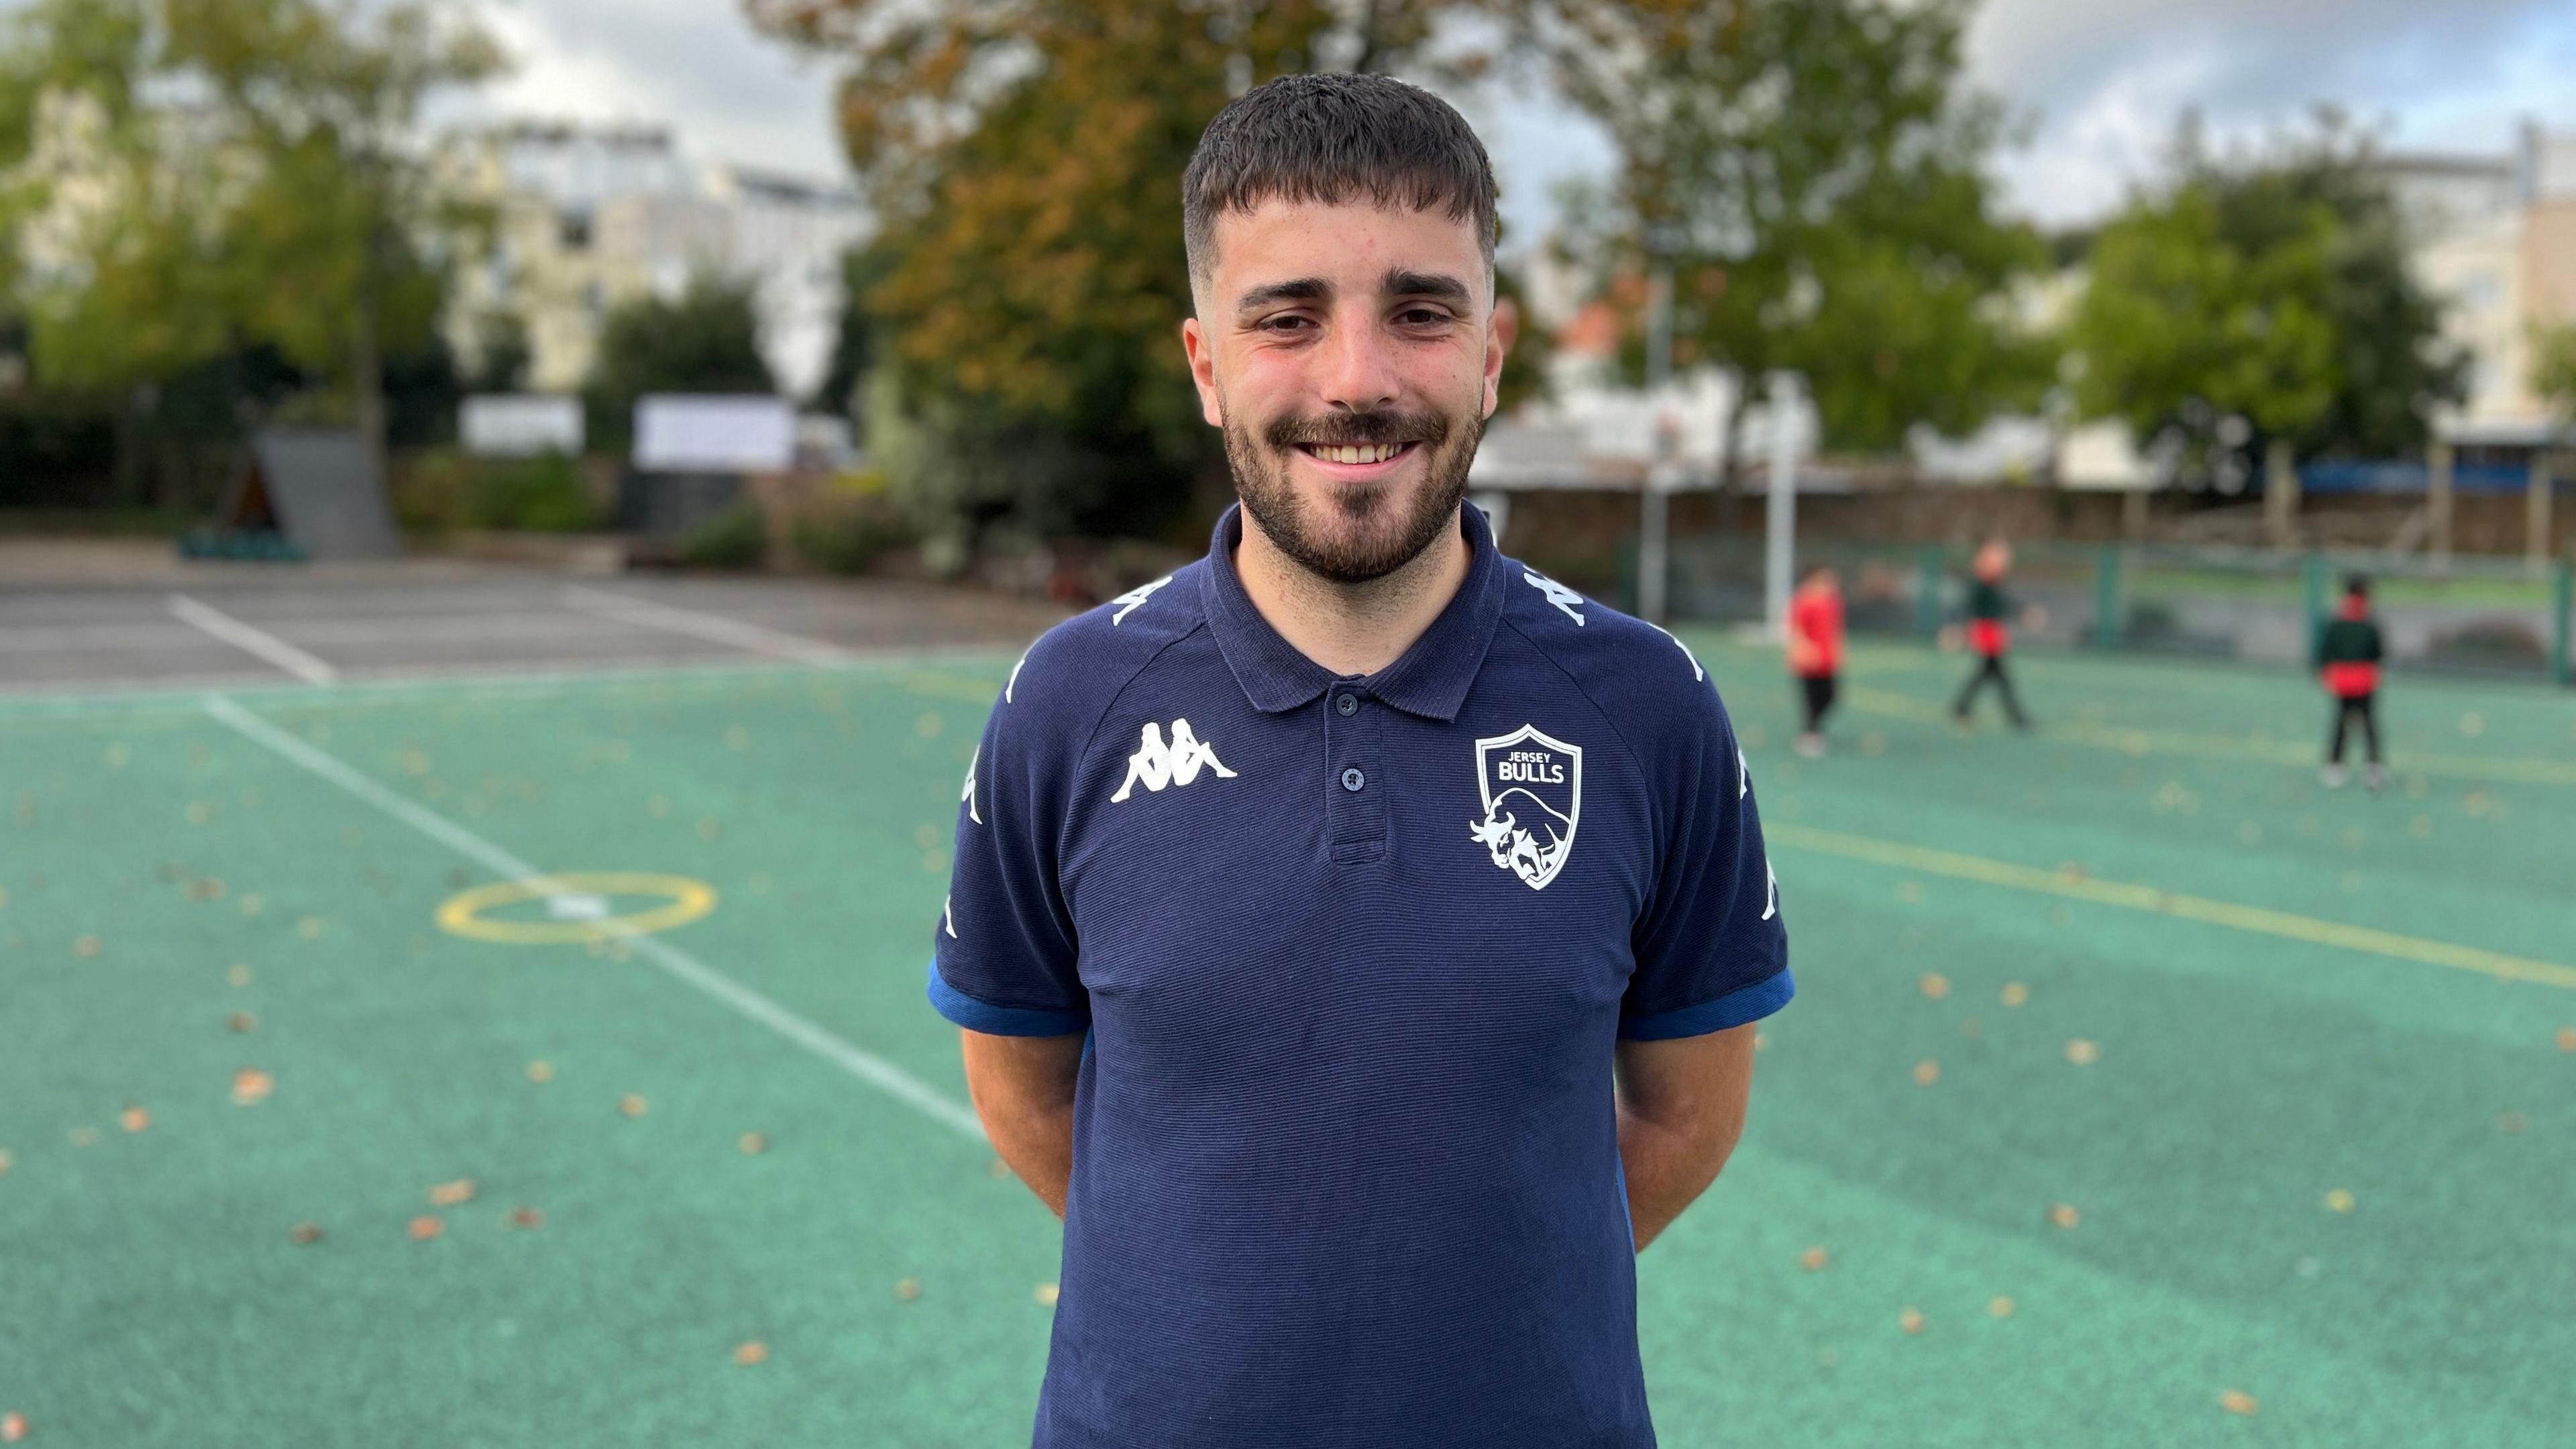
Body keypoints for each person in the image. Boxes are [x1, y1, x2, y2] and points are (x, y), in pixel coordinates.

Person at [929, 74, 1790, 1449]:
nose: (1356, 380)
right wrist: (1222, 1302)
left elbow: (1686, 1119)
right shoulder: (1068, 704)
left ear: (1493, 353)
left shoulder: (1649, 708)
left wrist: (1478, 1314)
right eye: (1287, 318)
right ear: (1207, 366)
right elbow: (1024, 1092)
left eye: (1421, 311)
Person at [2316, 574, 2387, 790]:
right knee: (2369, 725)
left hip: (2344, 681)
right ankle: (2373, 768)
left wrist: (2326, 673)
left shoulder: (2337, 622)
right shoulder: (2369, 623)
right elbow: (2378, 653)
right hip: (2364, 681)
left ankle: (2335, 766)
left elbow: (2325, 652)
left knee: (2341, 723)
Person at [1950, 537, 2031, 729]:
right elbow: (1967, 608)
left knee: (1986, 674)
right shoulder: (1981, 583)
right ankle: (2016, 716)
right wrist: (1957, 629)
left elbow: (2004, 604)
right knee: (1999, 676)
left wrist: (2022, 613)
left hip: (1993, 633)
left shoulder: (1993, 583)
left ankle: (1961, 706)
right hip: (1985, 633)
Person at [1787, 564, 1844, 757]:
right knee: (1812, 698)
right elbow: (1797, 630)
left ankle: (1814, 729)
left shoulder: (1833, 603)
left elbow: (1834, 630)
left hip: (1827, 660)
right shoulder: (1804, 602)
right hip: (1809, 661)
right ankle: (1810, 733)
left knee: (1831, 696)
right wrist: (1805, 651)